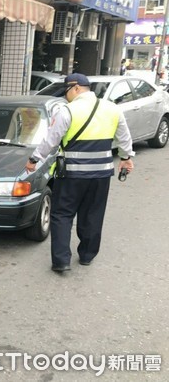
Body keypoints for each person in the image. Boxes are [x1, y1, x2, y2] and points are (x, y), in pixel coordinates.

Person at [24, 73, 134, 273]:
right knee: (93, 213)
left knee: (62, 215)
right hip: (101, 175)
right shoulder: (112, 109)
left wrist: (34, 159)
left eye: (66, 92)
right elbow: (124, 137)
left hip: (72, 174)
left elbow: (51, 139)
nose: (65, 96)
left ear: (75, 88)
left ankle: (61, 261)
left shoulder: (68, 110)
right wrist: (127, 158)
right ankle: (87, 256)